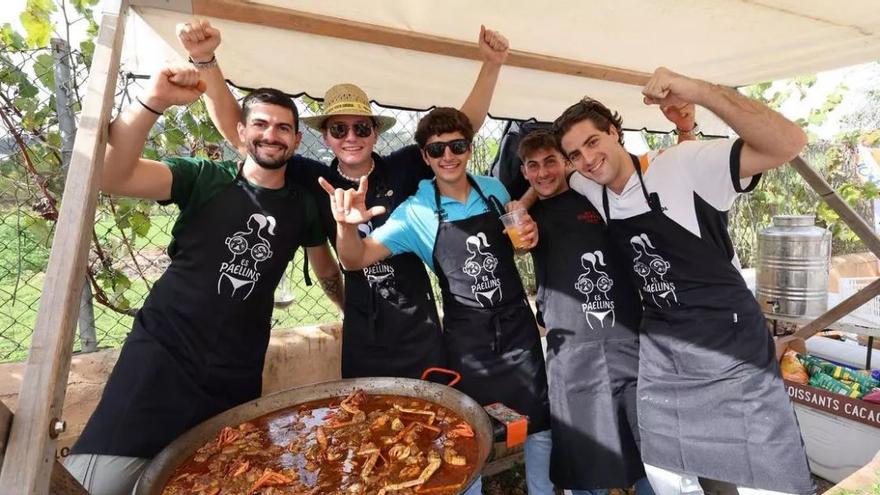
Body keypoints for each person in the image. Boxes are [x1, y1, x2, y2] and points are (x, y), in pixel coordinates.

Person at [177, 19, 510, 379]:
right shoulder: (314, 178)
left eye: (361, 128)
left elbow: (460, 128)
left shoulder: (403, 168)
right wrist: (206, 60)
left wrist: (492, 65)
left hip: (420, 328)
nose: (351, 137)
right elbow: (242, 137)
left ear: (374, 134)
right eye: (339, 129)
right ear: (326, 136)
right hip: (362, 331)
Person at [64, 66, 337, 495]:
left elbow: (327, 271)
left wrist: (351, 312)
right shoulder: (202, 177)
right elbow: (112, 176)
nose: (272, 134)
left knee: (218, 479)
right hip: (162, 357)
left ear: (298, 140)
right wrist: (152, 102)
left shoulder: (303, 205)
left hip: (238, 371)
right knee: (98, 482)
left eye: (284, 128)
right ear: (242, 131)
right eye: (261, 124)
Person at [554, 67, 815, 495]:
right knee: (671, 471)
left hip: (730, 349)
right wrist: (523, 209)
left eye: (592, 142)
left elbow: (789, 143)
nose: (586, 159)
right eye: (575, 154)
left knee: (763, 473)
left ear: (615, 133)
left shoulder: (683, 164)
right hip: (665, 353)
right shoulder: (588, 186)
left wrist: (699, 92)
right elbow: (550, 179)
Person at [321, 107, 554, 494]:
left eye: (457, 145)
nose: (448, 156)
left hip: (518, 329)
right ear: (425, 156)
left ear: (469, 147)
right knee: (469, 432)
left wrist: (525, 231)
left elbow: (512, 248)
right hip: (468, 339)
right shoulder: (415, 211)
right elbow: (354, 259)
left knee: (538, 424)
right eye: (437, 149)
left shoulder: (493, 191)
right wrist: (346, 227)